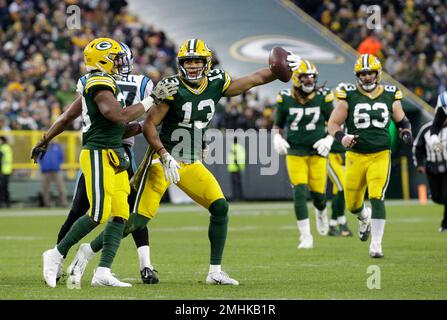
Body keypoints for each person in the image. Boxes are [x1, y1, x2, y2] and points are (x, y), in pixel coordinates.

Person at [66, 38, 301, 286]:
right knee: (136, 221)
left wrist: (280, 70)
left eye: (197, 61)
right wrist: (163, 154)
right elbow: (149, 125)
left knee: (220, 207)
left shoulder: (217, 82)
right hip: (160, 162)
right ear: (180, 63)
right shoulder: (171, 86)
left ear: (206, 62)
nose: (192, 66)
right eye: (188, 61)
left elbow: (254, 79)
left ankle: (214, 272)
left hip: (189, 162)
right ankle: (87, 252)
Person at [40, 37, 177, 288]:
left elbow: (119, 127)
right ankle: (56, 254)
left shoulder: (107, 82)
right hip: (98, 153)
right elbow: (117, 115)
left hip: (115, 153)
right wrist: (151, 100)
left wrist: (148, 126)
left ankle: (103, 271)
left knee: (121, 213)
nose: (120, 62)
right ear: (101, 60)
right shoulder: (99, 81)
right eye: (115, 58)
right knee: (98, 212)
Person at [328, 53, 413, 258]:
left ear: (378, 74)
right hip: (355, 155)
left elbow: (402, 121)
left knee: (377, 196)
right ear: (358, 75)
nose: (367, 77)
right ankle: (363, 216)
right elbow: (333, 124)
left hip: (380, 154)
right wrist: (342, 138)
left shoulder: (391, 94)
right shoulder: (348, 94)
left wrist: (406, 132)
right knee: (352, 204)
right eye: (363, 73)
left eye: (370, 73)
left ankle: (376, 245)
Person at [273, 59, 333, 249]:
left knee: (319, 196)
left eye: (312, 77)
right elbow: (277, 125)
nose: (309, 80)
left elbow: (335, 123)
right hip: (295, 151)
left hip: (317, 151)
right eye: (305, 76)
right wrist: (277, 138)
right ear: (296, 79)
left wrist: (329, 139)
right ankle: (305, 235)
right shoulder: (285, 97)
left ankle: (322, 211)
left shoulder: (324, 96)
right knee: (299, 191)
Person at [413, 119, 447, 232]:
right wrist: (419, 164)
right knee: (436, 197)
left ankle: (445, 224)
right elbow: (417, 147)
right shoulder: (426, 129)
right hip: (432, 167)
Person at [422, 91, 447, 232]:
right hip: (436, 164)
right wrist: (434, 139)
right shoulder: (446, 99)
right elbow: (436, 125)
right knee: (444, 195)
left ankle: (446, 222)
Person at [327, 142, 353, 237]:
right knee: (342, 187)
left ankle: (332, 225)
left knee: (338, 191)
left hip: (344, 156)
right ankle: (342, 223)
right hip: (330, 156)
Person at [37, 142, 68, 207]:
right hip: (45, 170)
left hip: (56, 170)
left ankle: (64, 202)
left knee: (61, 187)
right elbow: (38, 157)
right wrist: (43, 165)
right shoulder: (42, 146)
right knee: (45, 188)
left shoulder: (57, 146)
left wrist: (57, 164)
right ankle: (47, 204)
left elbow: (61, 157)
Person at [227, 136, 246, 201]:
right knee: (239, 184)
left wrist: (237, 165)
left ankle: (235, 197)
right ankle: (240, 197)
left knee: (235, 184)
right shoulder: (240, 148)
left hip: (234, 168)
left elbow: (235, 158)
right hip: (239, 168)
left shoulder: (233, 148)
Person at [0, 136, 13, 207]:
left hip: (3, 171)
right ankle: (7, 203)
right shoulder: (8, 147)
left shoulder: (2, 148)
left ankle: (3, 202)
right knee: (5, 188)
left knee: (2, 188)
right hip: (7, 170)